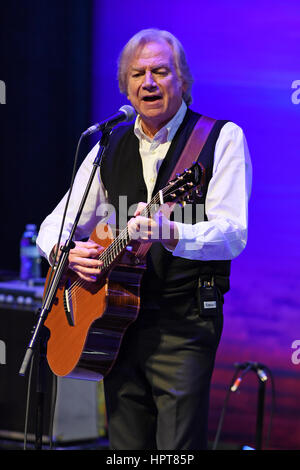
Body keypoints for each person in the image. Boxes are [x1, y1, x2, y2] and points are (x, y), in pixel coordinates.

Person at [37, 28, 252, 450]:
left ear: (182, 81)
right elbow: (54, 224)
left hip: (183, 321)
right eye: (137, 74)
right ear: (125, 85)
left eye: (160, 71)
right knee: (126, 449)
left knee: (177, 451)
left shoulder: (220, 138)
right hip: (115, 323)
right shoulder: (108, 143)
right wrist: (66, 252)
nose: (148, 82)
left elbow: (233, 234)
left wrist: (171, 233)